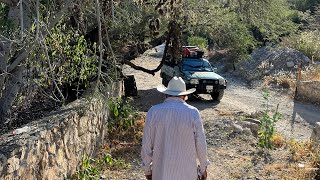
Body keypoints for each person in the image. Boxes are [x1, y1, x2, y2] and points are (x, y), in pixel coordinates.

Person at [141, 76, 209, 180]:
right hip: (187, 174)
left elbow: (146, 145)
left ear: (166, 94)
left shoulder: (153, 112)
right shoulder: (193, 113)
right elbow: (201, 144)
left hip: (161, 173)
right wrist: (203, 169)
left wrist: (147, 170)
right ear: (185, 95)